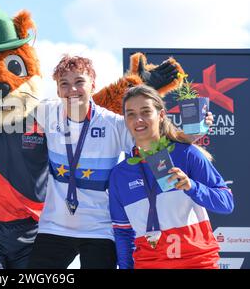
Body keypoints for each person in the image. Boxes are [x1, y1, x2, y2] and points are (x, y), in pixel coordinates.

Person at [108, 85, 234, 269]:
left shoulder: (187, 154)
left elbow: (226, 203)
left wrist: (192, 187)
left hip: (197, 263)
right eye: (131, 114)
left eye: (146, 111)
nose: (139, 119)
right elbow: (123, 233)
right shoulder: (120, 174)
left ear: (160, 115)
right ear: (125, 120)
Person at [27, 55, 133, 269]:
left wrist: (191, 133)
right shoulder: (46, 112)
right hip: (53, 227)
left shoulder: (113, 124)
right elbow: (6, 110)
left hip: (99, 228)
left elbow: (152, 139)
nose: (72, 90)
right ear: (57, 90)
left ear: (93, 84)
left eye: (79, 82)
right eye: (64, 84)